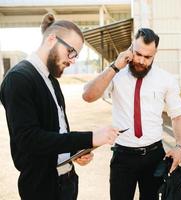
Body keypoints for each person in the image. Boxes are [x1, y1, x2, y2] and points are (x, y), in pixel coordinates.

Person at [0, 13, 119, 200]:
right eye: (71, 52)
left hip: (67, 181)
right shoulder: (18, 79)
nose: (73, 60)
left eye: (76, 55)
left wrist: (74, 153)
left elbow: (57, 131)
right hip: (41, 187)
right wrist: (89, 138)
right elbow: (29, 140)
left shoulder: (51, 79)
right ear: (51, 39)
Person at [83, 28, 181, 200]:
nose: (141, 60)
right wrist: (115, 66)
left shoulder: (165, 79)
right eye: (138, 54)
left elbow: (178, 115)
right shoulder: (116, 74)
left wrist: (179, 147)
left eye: (148, 57)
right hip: (123, 157)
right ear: (131, 48)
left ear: (155, 54)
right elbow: (88, 96)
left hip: (154, 156)